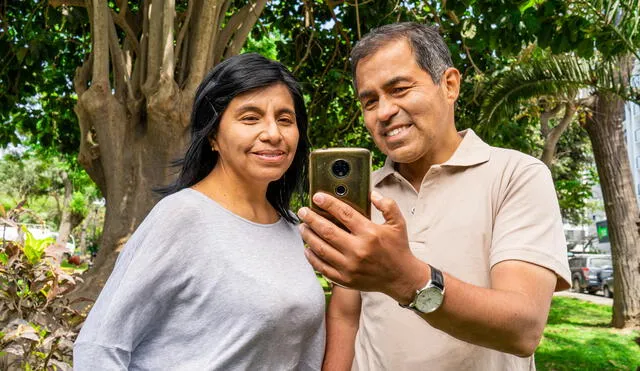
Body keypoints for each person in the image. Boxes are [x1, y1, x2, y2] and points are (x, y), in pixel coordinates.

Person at [297, 22, 571, 370]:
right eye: (369, 101)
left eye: (399, 89)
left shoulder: (516, 175)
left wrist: (405, 277)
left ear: (450, 84)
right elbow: (346, 317)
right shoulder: (362, 197)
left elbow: (523, 328)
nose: (383, 112)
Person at [74, 53, 325, 370]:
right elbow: (99, 347)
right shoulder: (182, 216)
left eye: (285, 119)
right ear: (212, 135)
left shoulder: (291, 228)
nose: (273, 133)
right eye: (250, 118)